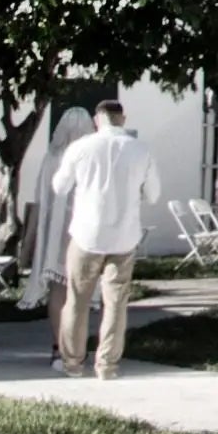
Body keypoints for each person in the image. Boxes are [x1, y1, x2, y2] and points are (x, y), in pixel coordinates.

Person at [46, 95, 160, 379]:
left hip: (86, 234)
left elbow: (60, 187)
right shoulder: (141, 150)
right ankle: (107, 365)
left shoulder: (80, 147)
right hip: (124, 236)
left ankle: (73, 362)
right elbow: (153, 195)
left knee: (77, 299)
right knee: (116, 302)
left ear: (97, 120)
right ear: (123, 119)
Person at [27, 102, 93, 357]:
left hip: (55, 234)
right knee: (79, 292)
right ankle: (74, 345)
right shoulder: (89, 159)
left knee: (57, 290)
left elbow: (40, 199)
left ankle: (59, 344)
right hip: (81, 232)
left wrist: (33, 236)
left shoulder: (51, 159)